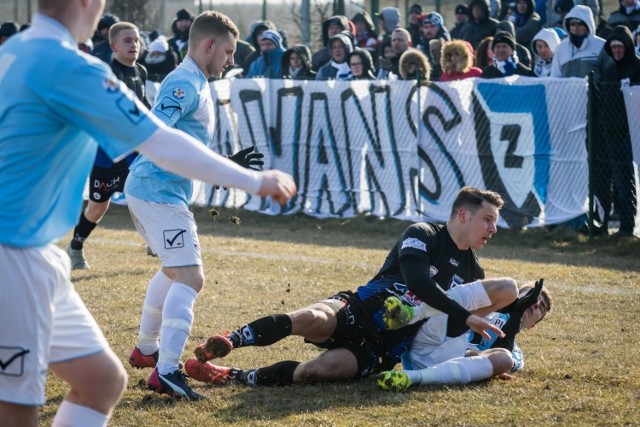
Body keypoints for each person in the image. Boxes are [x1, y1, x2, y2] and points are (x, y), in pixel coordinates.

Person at [0, 2, 295, 426]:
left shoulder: (16, 50)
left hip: (37, 253)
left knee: (101, 381)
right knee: (16, 414)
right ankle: (166, 368)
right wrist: (255, 182)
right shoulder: (71, 66)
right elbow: (160, 139)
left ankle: (149, 350)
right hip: (14, 251)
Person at [184, 187, 518, 387]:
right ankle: (230, 340)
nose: (494, 228)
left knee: (316, 372)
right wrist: (464, 314)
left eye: (495, 222)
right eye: (488, 219)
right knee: (314, 319)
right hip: (360, 309)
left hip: (386, 348)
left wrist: (474, 365)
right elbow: (418, 281)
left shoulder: (474, 269)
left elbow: (455, 329)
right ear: (463, 214)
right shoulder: (423, 233)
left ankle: (233, 375)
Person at [66, 21, 151, 269]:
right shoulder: (106, 74)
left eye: (136, 40)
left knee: (149, 192)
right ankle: (75, 247)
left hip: (136, 152)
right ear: (113, 46)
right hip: (107, 155)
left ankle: (158, 241)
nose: (134, 45)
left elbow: (143, 106)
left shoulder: (141, 72)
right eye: (127, 40)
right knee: (97, 208)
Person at [376, 279, 552, 390]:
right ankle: (410, 313)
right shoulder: (488, 308)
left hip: (443, 367)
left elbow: (497, 363)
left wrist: (516, 314)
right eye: (531, 296)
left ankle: (411, 378)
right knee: (466, 304)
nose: (535, 303)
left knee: (504, 360)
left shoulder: (515, 353)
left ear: (533, 326)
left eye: (541, 307)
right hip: (428, 340)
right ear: (513, 299)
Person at [592, 25, 640, 236]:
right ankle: (625, 227)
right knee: (621, 182)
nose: (617, 50)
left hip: (634, 133)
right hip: (613, 134)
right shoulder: (610, 71)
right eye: (614, 47)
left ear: (627, 46)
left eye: (620, 46)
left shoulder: (637, 67)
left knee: (630, 181)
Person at [550, 5, 605, 77]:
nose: (576, 28)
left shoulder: (601, 46)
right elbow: (554, 78)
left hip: (594, 88)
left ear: (588, 25)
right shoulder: (561, 48)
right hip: (567, 88)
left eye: (580, 24)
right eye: (572, 24)